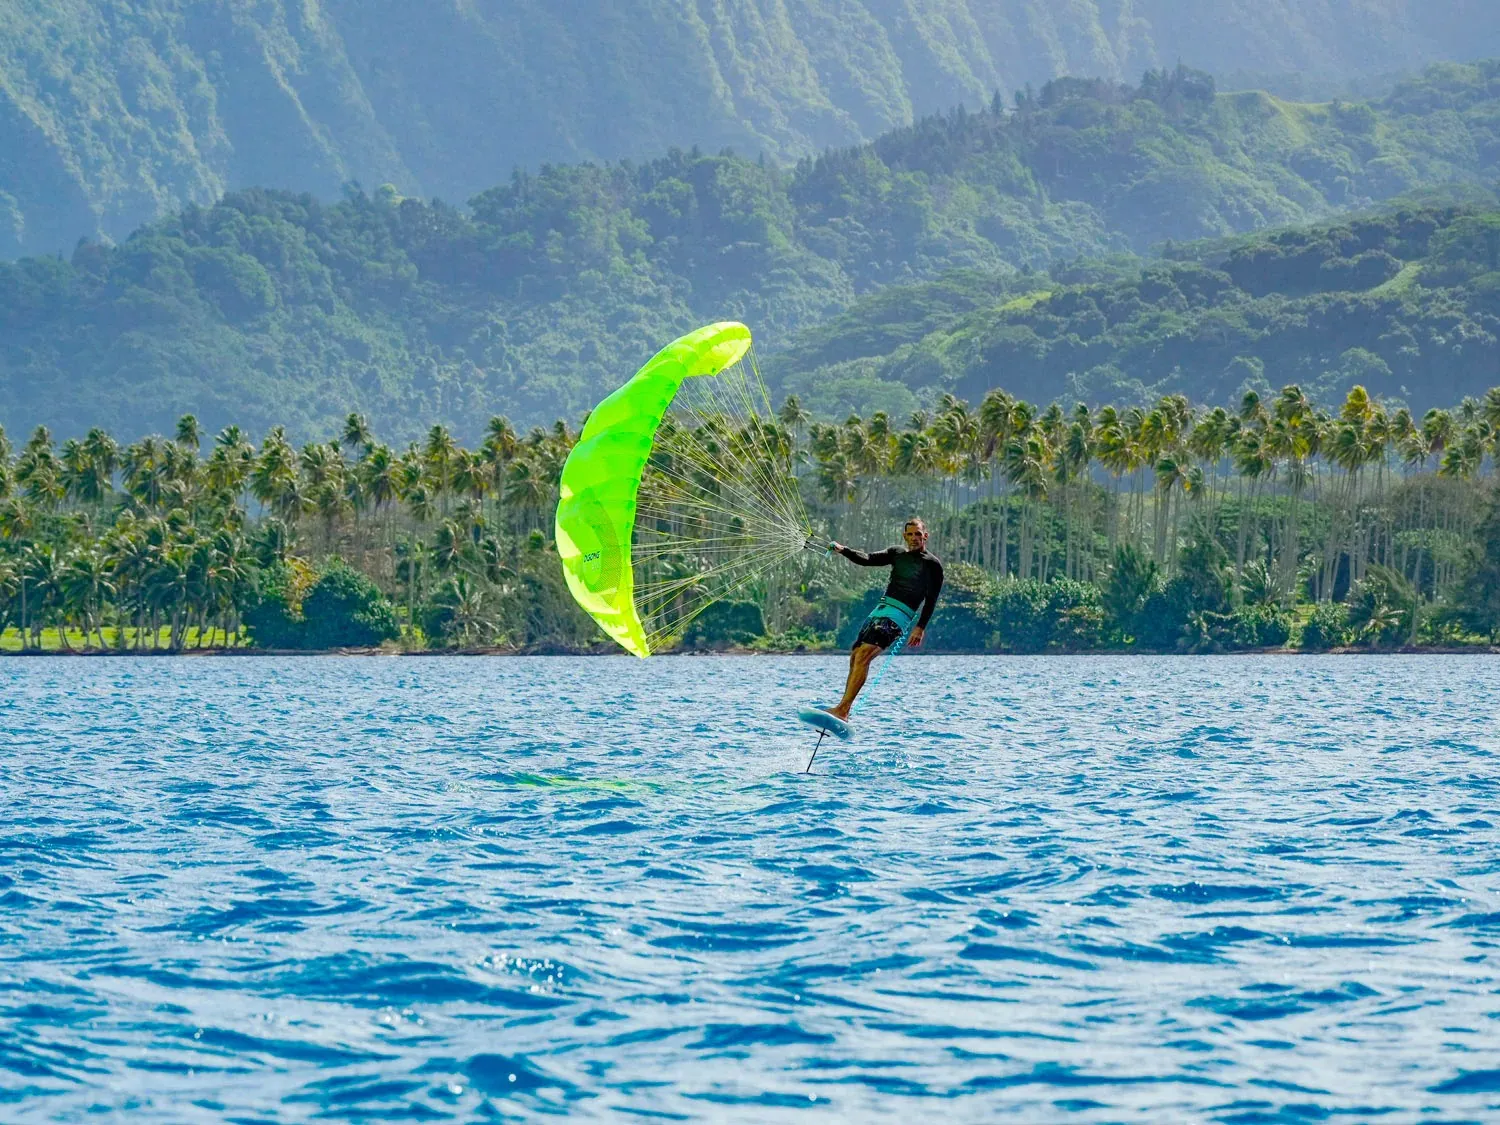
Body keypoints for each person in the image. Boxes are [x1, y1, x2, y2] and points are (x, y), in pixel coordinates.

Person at [821, 518, 944, 721]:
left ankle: (842, 710)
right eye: (910, 534)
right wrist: (844, 550)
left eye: (918, 534)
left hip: (899, 615)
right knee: (855, 656)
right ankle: (843, 709)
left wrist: (920, 627)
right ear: (904, 536)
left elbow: (931, 599)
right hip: (880, 611)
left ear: (925, 536)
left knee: (864, 656)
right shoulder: (896, 553)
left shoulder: (932, 565)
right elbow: (867, 558)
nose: (914, 538)